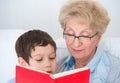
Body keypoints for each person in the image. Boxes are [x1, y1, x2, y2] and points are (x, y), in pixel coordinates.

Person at [56, 0, 120, 83]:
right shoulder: (57, 66)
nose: (76, 44)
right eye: (70, 34)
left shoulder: (116, 71)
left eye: (85, 36)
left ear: (98, 38)